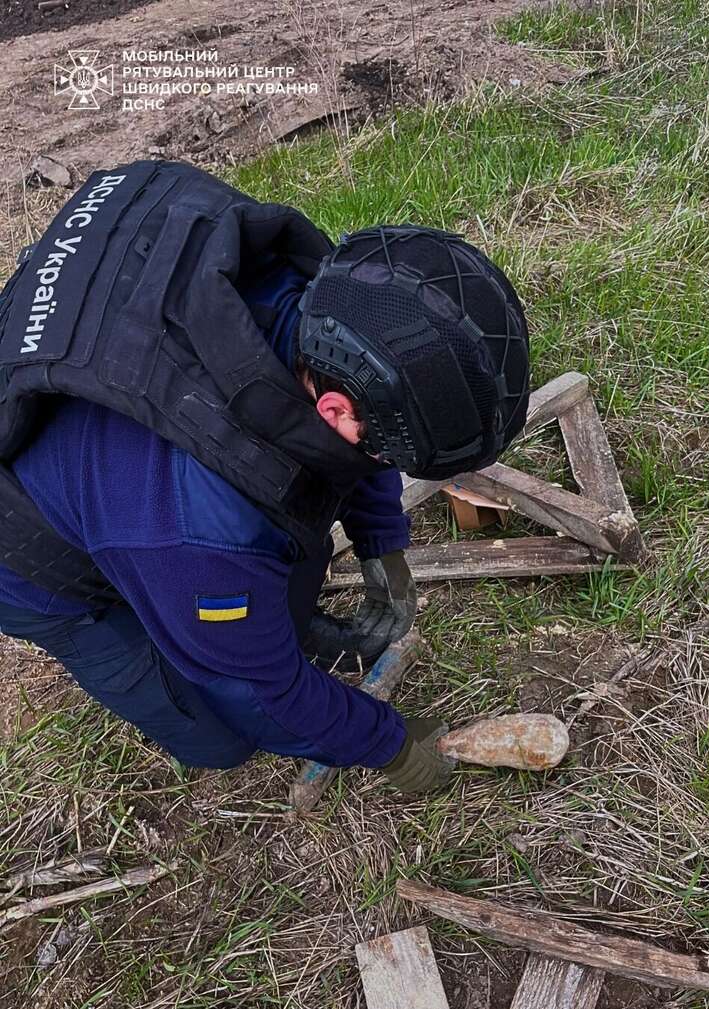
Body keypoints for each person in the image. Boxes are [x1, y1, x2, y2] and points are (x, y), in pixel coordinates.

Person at [0, 160, 530, 793]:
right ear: (334, 409)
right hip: (27, 560)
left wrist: (381, 543)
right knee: (215, 730)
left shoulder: (319, 300)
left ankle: (224, 621)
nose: (392, 468)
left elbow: (364, 434)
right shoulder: (200, 531)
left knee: (260, 575)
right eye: (396, 459)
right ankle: (174, 625)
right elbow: (258, 695)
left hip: (108, 431)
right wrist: (388, 746)